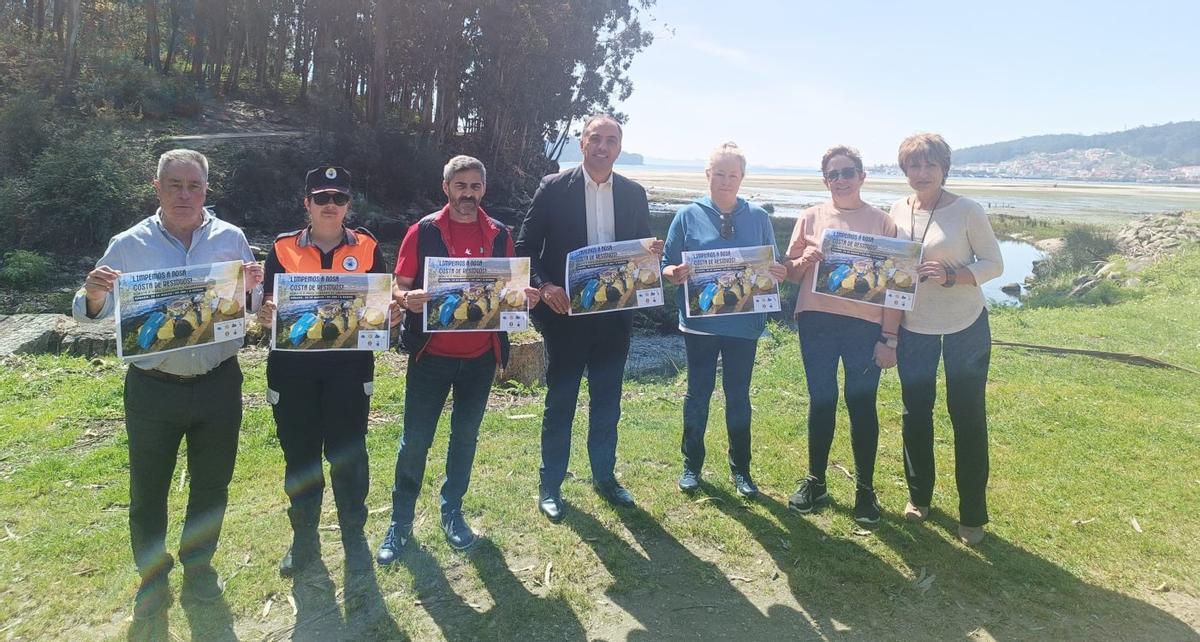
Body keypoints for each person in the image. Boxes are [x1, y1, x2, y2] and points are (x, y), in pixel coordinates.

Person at [72, 149, 264, 620]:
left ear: (205, 190)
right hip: (152, 388)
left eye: (193, 185)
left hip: (220, 382)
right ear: (157, 188)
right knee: (149, 490)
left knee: (212, 486)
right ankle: (152, 577)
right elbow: (87, 308)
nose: (184, 194)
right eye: (174, 185)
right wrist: (94, 293)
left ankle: (199, 569)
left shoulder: (231, 237)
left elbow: (252, 303)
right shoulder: (128, 243)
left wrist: (256, 285)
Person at [376, 155, 540, 563]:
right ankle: (400, 521)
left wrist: (527, 297)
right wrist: (404, 299)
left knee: (464, 439)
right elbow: (399, 286)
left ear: (484, 189)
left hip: (481, 357)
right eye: (461, 186)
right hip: (431, 357)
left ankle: (452, 512)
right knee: (414, 442)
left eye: (475, 186)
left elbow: (512, 291)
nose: (468, 194)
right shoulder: (423, 231)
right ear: (446, 187)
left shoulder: (501, 234)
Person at [515, 114, 663, 522]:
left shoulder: (633, 193)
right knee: (560, 401)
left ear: (619, 146)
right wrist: (544, 287)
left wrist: (651, 254)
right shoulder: (553, 187)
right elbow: (525, 245)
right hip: (565, 316)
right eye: (595, 138)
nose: (602, 146)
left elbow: (641, 247)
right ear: (581, 143)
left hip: (615, 317)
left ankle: (605, 477)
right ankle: (551, 485)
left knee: (607, 401)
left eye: (611, 140)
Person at [256, 167, 394, 586]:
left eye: (338, 198)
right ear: (307, 205)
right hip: (293, 370)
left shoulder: (368, 246)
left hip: (349, 370)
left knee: (348, 454)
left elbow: (380, 303)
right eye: (321, 198)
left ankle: (354, 534)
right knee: (300, 457)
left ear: (349, 205)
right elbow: (267, 301)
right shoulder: (281, 248)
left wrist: (390, 314)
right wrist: (265, 315)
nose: (330, 205)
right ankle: (304, 540)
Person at [889, 133, 1003, 545]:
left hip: (965, 323)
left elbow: (994, 264)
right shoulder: (897, 209)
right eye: (914, 166)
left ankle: (972, 513)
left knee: (967, 415)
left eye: (929, 165)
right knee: (915, 412)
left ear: (943, 169)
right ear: (904, 171)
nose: (921, 173)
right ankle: (919, 498)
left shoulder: (968, 210)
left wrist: (952, 275)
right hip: (913, 324)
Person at [660, 142, 788, 498]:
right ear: (707, 175)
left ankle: (741, 469)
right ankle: (691, 464)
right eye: (719, 174)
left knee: (738, 396)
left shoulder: (760, 217)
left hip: (744, 326)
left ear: (742, 177)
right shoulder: (687, 215)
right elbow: (664, 265)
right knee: (697, 394)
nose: (726, 181)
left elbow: (773, 266)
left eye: (733, 175)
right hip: (700, 325)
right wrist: (674, 272)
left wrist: (778, 271)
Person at [783, 145, 900, 525]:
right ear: (825, 180)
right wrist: (803, 262)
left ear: (862, 176)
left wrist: (890, 337)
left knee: (861, 402)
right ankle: (816, 482)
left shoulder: (884, 223)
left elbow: (897, 286)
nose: (841, 180)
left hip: (864, 326)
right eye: (834, 174)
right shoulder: (810, 217)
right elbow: (791, 273)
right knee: (822, 399)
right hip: (816, 320)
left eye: (848, 172)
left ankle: (865, 490)